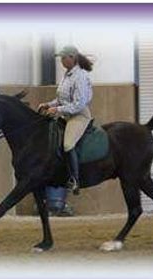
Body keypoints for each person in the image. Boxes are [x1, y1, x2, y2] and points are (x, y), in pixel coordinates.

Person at [38, 45, 94, 194]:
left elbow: (78, 103)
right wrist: (48, 105)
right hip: (66, 114)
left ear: (72, 58)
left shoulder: (80, 76)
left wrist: (57, 110)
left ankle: (75, 180)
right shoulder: (67, 74)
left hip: (79, 115)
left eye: (64, 58)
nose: (62, 61)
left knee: (68, 144)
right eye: (60, 58)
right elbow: (60, 98)